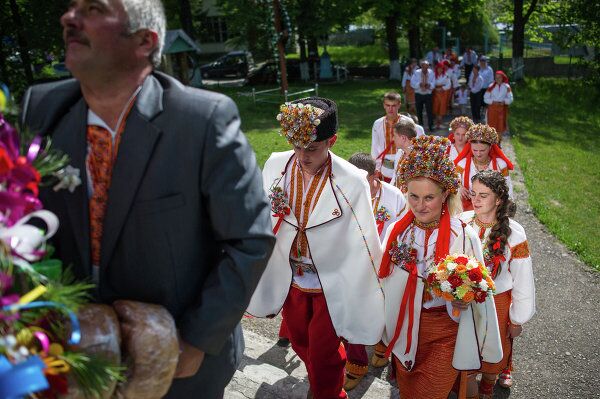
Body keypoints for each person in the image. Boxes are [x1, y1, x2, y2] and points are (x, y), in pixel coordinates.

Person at [20, 1, 275, 398]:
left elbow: (249, 239)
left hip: (175, 367)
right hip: (69, 360)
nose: (69, 17)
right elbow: (20, 218)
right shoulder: (41, 109)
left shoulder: (202, 121)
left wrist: (195, 341)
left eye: (93, 9)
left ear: (144, 40)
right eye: (70, 8)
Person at [248, 97, 385, 399]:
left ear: (331, 140)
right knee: (299, 341)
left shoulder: (353, 181)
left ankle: (328, 393)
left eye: (311, 148)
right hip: (290, 276)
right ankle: (324, 381)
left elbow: (365, 240)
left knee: (322, 351)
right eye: (297, 146)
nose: (302, 156)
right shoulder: (275, 164)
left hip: (331, 282)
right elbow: (261, 216)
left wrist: (370, 289)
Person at [379, 135, 502, 399]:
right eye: (413, 196)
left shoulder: (464, 235)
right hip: (405, 328)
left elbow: (482, 289)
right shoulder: (396, 232)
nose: (419, 206)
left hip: (446, 331)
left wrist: (463, 300)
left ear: (446, 193)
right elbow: (382, 282)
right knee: (408, 390)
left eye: (429, 198)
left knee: (429, 393)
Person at [459, 170, 535, 399]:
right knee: (466, 352)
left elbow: (523, 279)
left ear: (499, 199)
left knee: (494, 350)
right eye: (474, 193)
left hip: (498, 303)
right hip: (465, 301)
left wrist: (517, 318)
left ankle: (487, 387)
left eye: (484, 194)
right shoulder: (462, 222)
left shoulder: (515, 233)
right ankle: (469, 386)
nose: (476, 199)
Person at [343, 152, 406, 391]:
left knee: (385, 307)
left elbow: (402, 231)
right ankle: (356, 361)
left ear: (375, 176)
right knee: (352, 310)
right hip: (354, 263)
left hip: (386, 264)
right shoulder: (344, 192)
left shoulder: (394, 196)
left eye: (363, 179)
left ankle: (382, 343)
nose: (357, 184)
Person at [454, 124, 514, 212]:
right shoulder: (462, 165)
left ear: (490, 147)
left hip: (494, 210)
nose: (478, 154)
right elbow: (452, 184)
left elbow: (508, 188)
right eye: (475, 150)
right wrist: (459, 187)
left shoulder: (500, 165)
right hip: (467, 210)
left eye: (482, 150)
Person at [371, 91, 402, 183]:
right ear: (384, 105)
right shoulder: (378, 124)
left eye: (393, 105)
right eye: (388, 105)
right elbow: (375, 147)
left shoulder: (407, 122)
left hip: (402, 164)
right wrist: (376, 168)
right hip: (386, 167)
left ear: (399, 105)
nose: (390, 109)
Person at [484, 71, 513, 137]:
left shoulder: (507, 87)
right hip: (492, 109)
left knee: (500, 127)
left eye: (499, 77)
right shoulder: (491, 86)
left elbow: (510, 98)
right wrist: (493, 102)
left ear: (502, 78)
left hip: (502, 109)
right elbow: (485, 98)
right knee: (491, 126)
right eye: (496, 77)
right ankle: (492, 142)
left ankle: (499, 142)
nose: (498, 79)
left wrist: (504, 102)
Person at [410, 60, 435, 132]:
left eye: (426, 67)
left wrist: (430, 85)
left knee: (429, 110)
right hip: (419, 94)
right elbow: (412, 83)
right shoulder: (416, 72)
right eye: (423, 67)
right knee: (419, 110)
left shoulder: (431, 72)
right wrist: (419, 84)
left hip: (428, 94)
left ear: (428, 66)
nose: (425, 68)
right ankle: (420, 126)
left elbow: (434, 82)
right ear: (421, 66)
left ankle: (431, 126)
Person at [432, 61, 452, 129]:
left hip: (443, 93)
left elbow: (449, 85)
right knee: (435, 107)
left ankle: (440, 123)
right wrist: (435, 88)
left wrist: (442, 88)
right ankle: (436, 123)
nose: (439, 69)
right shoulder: (433, 75)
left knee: (442, 107)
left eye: (441, 68)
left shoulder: (446, 75)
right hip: (435, 93)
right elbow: (431, 83)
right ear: (436, 68)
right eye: (438, 68)